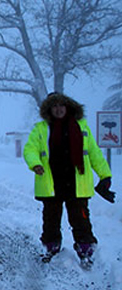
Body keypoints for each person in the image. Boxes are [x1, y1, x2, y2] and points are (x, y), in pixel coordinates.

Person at [23, 92, 115, 263]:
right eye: (54, 106)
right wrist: (35, 163)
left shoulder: (81, 126)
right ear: (49, 109)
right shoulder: (41, 129)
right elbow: (30, 149)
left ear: (68, 107)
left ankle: (85, 246)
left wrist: (105, 175)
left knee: (80, 217)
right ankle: (51, 245)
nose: (58, 109)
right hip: (51, 181)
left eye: (61, 105)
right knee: (51, 218)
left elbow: (94, 153)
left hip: (77, 182)